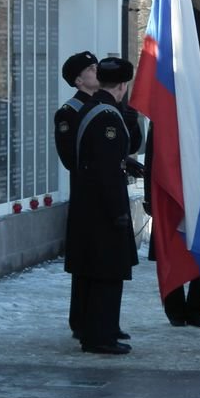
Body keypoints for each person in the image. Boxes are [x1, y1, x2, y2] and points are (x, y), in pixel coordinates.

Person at [64, 57, 139, 354]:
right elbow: (106, 170)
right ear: (123, 85)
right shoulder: (107, 116)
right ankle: (99, 336)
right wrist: (119, 211)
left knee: (99, 271)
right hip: (103, 207)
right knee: (106, 272)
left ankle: (100, 331)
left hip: (92, 204)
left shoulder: (94, 109)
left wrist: (128, 162)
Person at [144, 123, 200, 328]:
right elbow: (151, 158)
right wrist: (149, 197)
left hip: (198, 193)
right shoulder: (161, 118)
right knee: (171, 252)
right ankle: (175, 310)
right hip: (169, 196)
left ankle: (197, 310)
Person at [56, 51, 99, 341]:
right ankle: (81, 320)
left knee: (105, 261)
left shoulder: (106, 106)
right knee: (86, 260)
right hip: (87, 196)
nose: (97, 72)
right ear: (78, 79)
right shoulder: (69, 112)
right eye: (92, 69)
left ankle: (102, 319)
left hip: (107, 191)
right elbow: (70, 158)